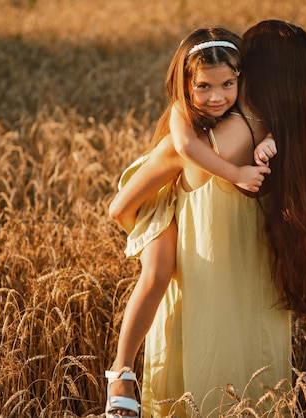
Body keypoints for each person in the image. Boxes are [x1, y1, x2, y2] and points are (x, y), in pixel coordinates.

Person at [123, 20, 306, 417]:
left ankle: (120, 370)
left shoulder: (210, 143)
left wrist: (151, 237)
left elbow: (121, 207)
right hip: (258, 319)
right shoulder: (288, 140)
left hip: (206, 314)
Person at [105, 26, 276, 418]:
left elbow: (272, 125)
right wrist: (235, 174)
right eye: (204, 87)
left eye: (227, 84)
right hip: (156, 201)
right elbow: (184, 148)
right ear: (185, 84)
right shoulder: (181, 113)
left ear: (240, 80)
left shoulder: (244, 111)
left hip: (178, 195)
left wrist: (270, 142)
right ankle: (120, 369)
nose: (216, 97)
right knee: (157, 274)